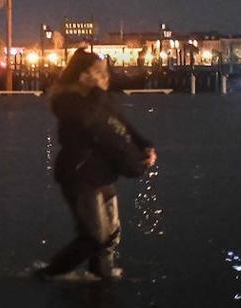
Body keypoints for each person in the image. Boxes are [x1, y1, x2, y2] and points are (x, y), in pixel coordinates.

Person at [37, 48, 156, 282]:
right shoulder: (66, 100)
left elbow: (121, 122)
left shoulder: (101, 98)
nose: (105, 75)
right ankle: (49, 274)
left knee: (110, 234)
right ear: (82, 75)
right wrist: (99, 94)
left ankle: (101, 277)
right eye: (98, 71)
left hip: (104, 172)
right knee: (93, 235)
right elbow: (87, 119)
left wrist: (144, 145)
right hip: (79, 174)